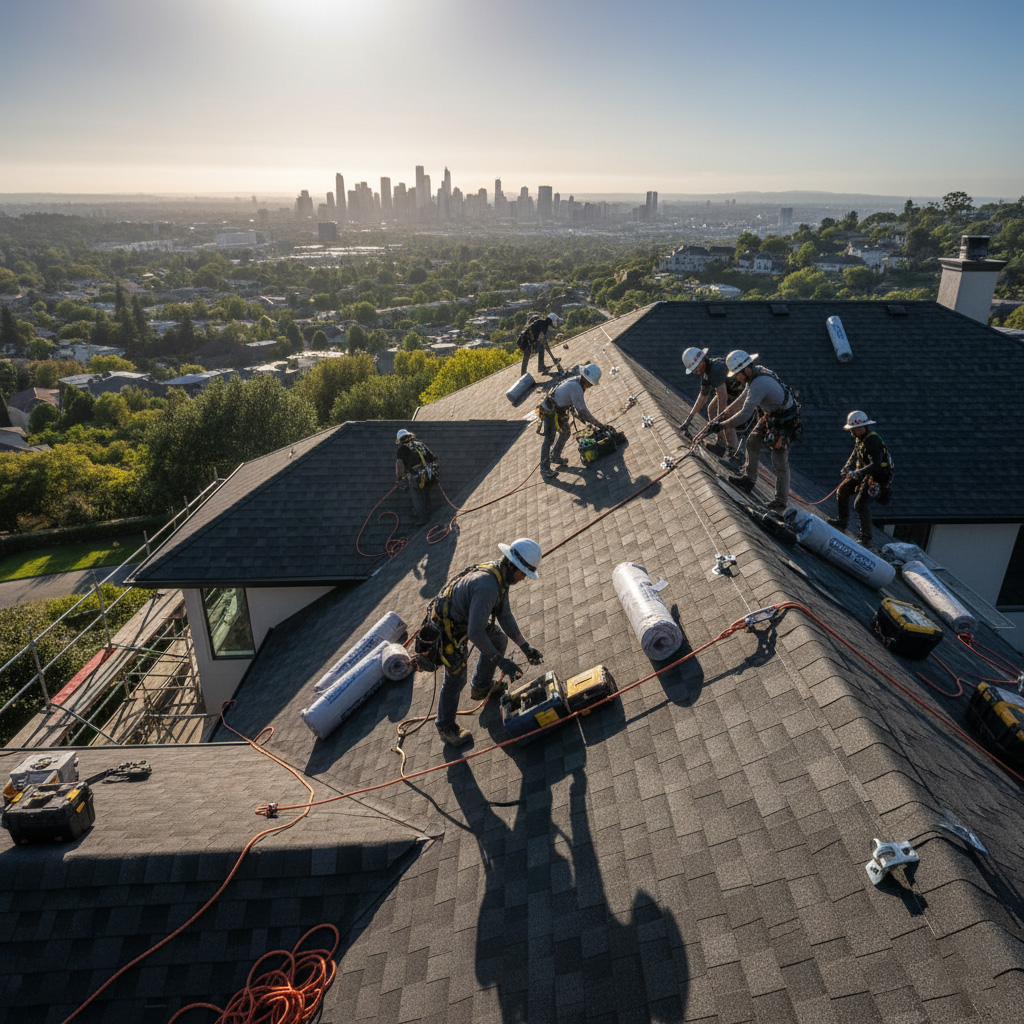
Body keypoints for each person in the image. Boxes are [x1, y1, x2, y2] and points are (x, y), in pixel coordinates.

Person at [424, 538, 545, 747]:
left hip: (467, 620)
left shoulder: (501, 578)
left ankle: (480, 686)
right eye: (523, 573)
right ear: (511, 565)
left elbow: (504, 614)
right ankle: (445, 726)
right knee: (456, 677)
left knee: (498, 637)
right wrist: (500, 661)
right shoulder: (487, 586)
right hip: (448, 629)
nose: (523, 579)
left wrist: (525, 646)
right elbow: (475, 632)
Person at [706, 350, 802, 514]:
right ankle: (749, 480)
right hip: (771, 415)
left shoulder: (760, 383)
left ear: (746, 370)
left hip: (784, 421)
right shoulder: (755, 375)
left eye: (738, 374)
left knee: (779, 461)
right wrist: (726, 412)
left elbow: (744, 414)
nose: (737, 378)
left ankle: (780, 502)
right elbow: (743, 398)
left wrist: (722, 426)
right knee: (752, 442)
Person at [827, 411, 894, 546]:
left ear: (861, 427)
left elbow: (875, 464)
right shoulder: (860, 438)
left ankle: (866, 538)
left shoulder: (872, 441)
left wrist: (857, 472)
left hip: (878, 476)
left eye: (853, 430)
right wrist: (847, 468)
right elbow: (855, 454)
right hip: (864, 472)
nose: (851, 432)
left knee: (861, 504)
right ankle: (842, 521)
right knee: (843, 490)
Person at [538, 363, 606, 479]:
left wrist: (582, 417)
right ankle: (544, 469)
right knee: (549, 439)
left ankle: (555, 455)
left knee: (565, 433)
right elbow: (583, 411)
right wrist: (599, 425)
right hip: (550, 410)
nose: (590, 386)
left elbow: (576, 407)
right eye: (590, 384)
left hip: (559, 409)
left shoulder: (578, 382)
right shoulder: (576, 388)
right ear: (586, 379)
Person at [679, 347, 740, 460]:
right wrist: (689, 419)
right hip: (728, 392)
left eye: (695, 368)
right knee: (712, 409)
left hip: (739, 393)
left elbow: (722, 397)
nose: (695, 372)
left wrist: (718, 420)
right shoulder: (706, 371)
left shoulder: (715, 369)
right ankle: (721, 444)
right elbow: (703, 395)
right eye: (693, 370)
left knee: (725, 417)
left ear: (702, 360)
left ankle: (735, 454)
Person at [395, 428, 439, 525]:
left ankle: (423, 518)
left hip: (416, 476)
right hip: (428, 473)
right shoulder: (419, 443)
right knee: (426, 492)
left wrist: (400, 479)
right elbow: (432, 457)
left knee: (417, 497)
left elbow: (400, 469)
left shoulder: (402, 450)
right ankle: (430, 514)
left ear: (400, 440)